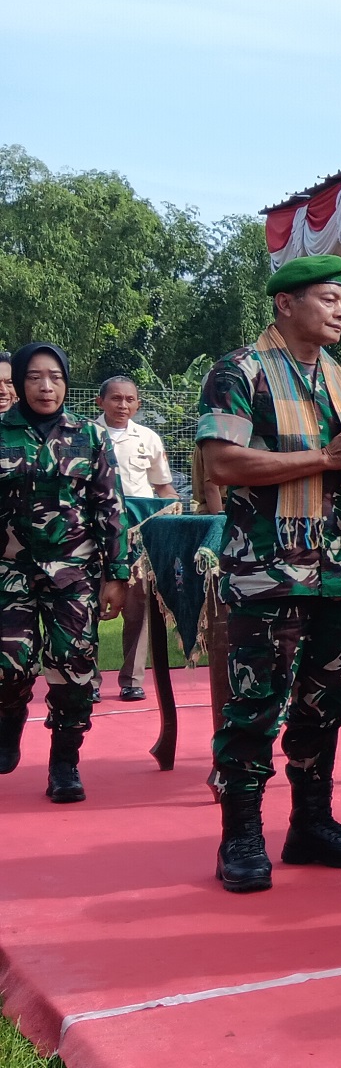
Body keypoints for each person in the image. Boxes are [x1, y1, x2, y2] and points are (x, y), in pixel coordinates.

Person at [197, 256, 341, 893]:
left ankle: (311, 822)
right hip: (266, 571)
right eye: (329, 299)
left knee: (328, 701)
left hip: (334, 568)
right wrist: (326, 455)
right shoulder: (238, 371)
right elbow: (220, 463)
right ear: (286, 304)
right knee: (254, 704)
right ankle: (242, 836)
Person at [0, 344, 130, 802]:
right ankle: (10, 713)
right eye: (34, 377)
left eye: (54, 376)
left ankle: (64, 763)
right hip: (8, 570)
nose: (46, 386)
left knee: (73, 670)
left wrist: (117, 574)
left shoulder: (89, 436)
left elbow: (109, 508)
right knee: (7, 663)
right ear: (19, 382)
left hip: (73, 572)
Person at [94, 375, 175, 702]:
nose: (122, 405)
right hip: (94, 535)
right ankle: (88, 679)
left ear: (138, 404)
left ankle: (131, 679)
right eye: (115, 398)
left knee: (137, 608)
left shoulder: (149, 439)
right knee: (89, 606)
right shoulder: (84, 435)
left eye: (130, 399)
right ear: (100, 402)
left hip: (138, 540)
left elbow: (163, 488)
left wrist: (176, 515)